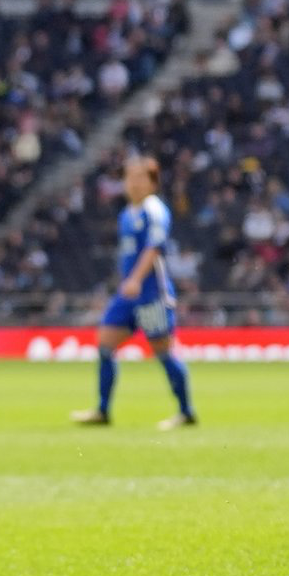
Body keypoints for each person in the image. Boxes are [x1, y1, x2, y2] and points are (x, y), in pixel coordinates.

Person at [72, 156, 197, 430]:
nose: (133, 183)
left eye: (140, 177)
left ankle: (186, 412)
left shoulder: (154, 210)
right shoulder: (126, 214)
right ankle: (102, 410)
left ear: (152, 183)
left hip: (150, 292)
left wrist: (136, 280)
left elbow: (154, 248)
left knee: (163, 351)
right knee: (105, 345)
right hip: (128, 293)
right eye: (129, 177)